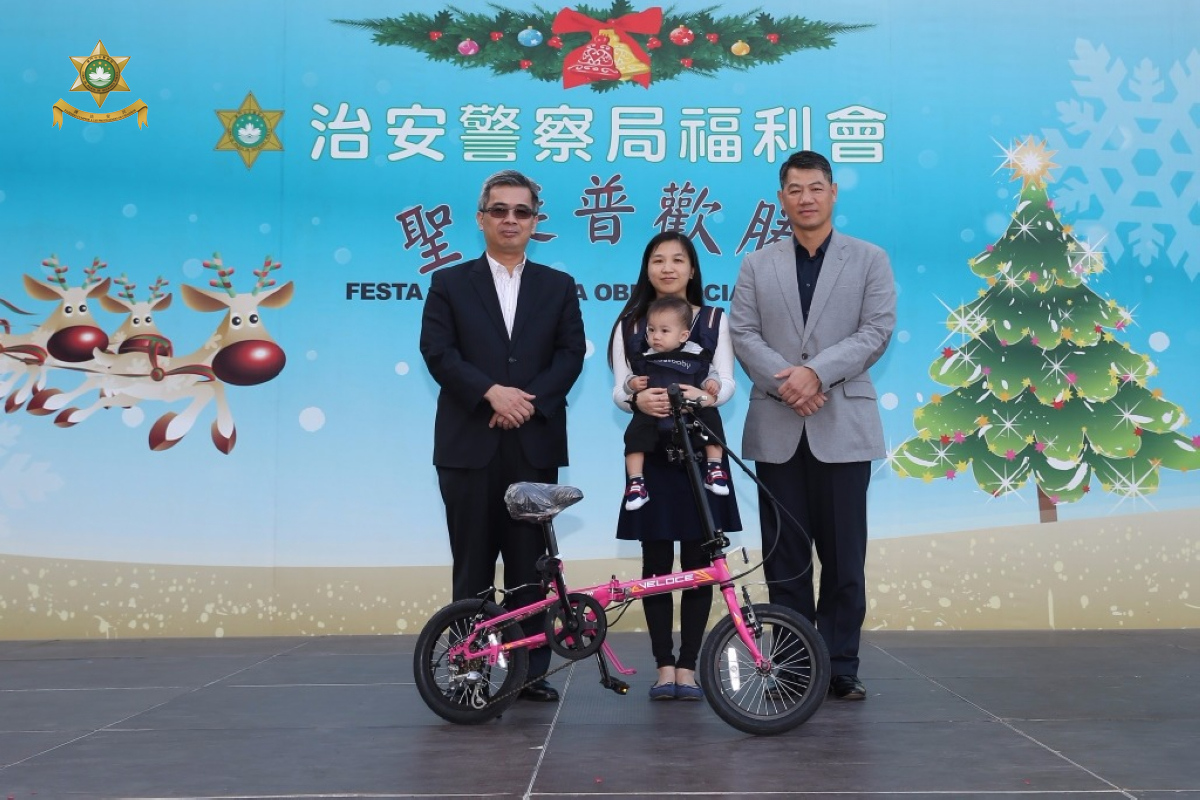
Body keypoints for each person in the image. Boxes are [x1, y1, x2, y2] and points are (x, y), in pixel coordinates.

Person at [729, 150, 896, 701]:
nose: (806, 198)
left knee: (845, 558)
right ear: (781, 199)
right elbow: (743, 333)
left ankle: (841, 664)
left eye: (816, 187)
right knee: (786, 558)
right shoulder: (757, 264)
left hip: (843, 425)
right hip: (778, 426)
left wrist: (814, 373)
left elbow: (876, 331)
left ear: (833, 193)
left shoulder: (869, 259)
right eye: (795, 189)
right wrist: (789, 384)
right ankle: (795, 665)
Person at [420, 169, 585, 703]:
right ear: (481, 218)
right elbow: (438, 352)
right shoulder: (449, 282)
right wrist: (492, 393)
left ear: (535, 221)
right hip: (469, 443)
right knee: (471, 564)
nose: (510, 220)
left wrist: (524, 403)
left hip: (532, 442)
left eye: (521, 211)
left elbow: (570, 355)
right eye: (499, 210)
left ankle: (529, 672)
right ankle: (470, 670)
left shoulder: (557, 286)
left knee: (528, 565)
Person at [608, 231, 741, 701]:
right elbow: (620, 387)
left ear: (691, 269)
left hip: (700, 458)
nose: (667, 268)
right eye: (658, 260)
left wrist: (703, 396)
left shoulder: (714, 320)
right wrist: (636, 399)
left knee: (702, 564)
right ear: (647, 268)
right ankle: (664, 666)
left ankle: (689, 667)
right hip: (654, 461)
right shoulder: (630, 323)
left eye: (677, 260)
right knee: (656, 566)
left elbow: (726, 382)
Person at [622, 295, 728, 511]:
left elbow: (711, 373)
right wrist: (632, 384)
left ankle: (714, 469)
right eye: (651, 330)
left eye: (664, 331)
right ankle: (636, 482)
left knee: (711, 419)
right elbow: (628, 380)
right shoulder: (644, 356)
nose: (655, 336)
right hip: (655, 415)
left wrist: (712, 385)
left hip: (691, 413)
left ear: (683, 335)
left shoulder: (697, 354)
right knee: (634, 434)